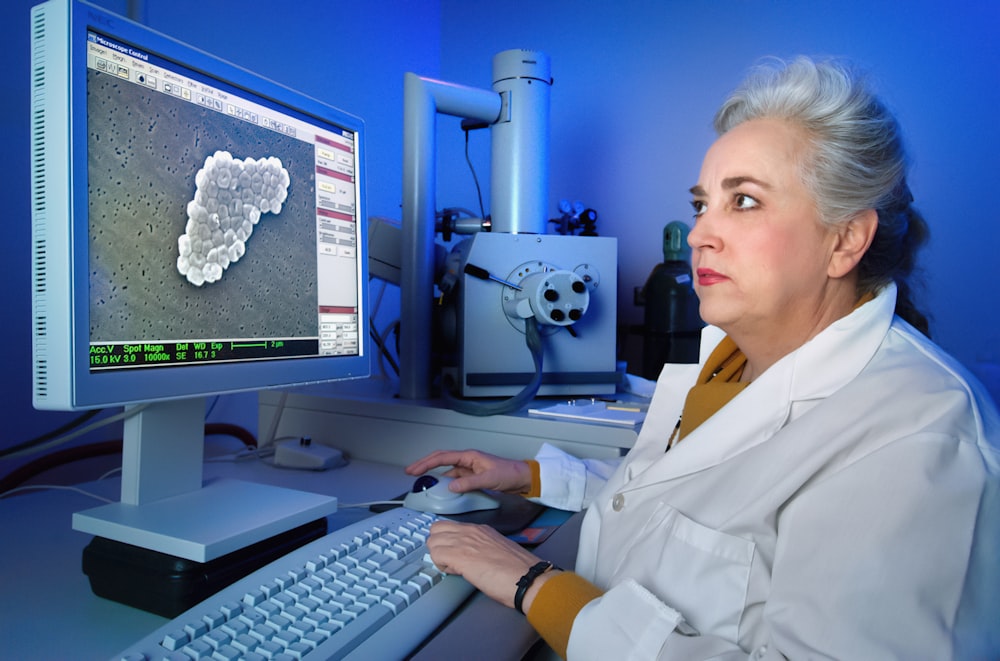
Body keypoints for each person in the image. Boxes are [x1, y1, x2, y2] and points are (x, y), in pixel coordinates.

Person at [406, 56, 1000, 660]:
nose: (698, 234)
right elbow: (675, 498)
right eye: (702, 204)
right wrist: (530, 476)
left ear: (845, 239)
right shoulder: (733, 360)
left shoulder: (920, 436)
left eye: (743, 201)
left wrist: (536, 585)